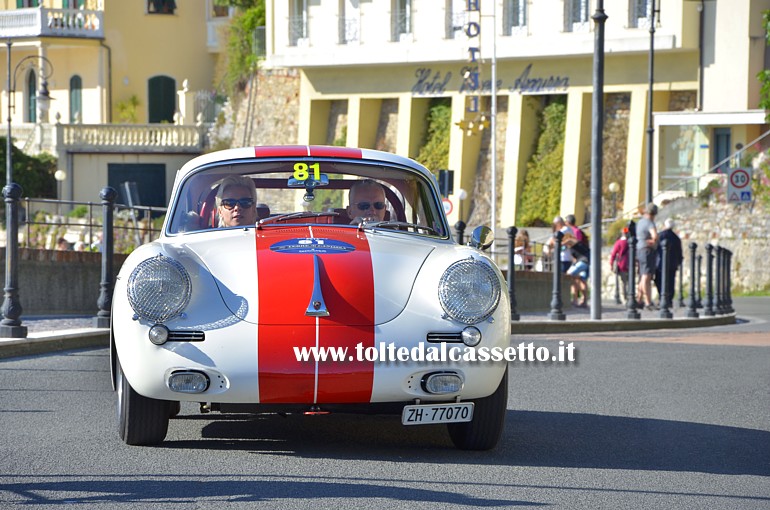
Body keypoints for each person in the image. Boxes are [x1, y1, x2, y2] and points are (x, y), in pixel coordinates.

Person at [635, 202, 659, 310]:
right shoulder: (650, 223)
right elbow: (655, 236)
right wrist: (653, 241)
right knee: (646, 275)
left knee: (642, 275)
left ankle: (639, 300)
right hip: (647, 250)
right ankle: (648, 302)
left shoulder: (640, 222)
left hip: (639, 249)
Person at [654, 218, 683, 307]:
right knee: (670, 282)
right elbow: (679, 252)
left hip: (659, 263)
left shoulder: (660, 236)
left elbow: (655, 249)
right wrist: (679, 261)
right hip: (672, 264)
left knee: (659, 280)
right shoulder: (676, 238)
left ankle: (662, 297)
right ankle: (669, 299)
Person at [609, 227, 630, 303]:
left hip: (621, 264)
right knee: (629, 282)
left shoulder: (618, 242)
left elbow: (613, 254)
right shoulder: (630, 242)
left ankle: (624, 298)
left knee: (623, 282)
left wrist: (611, 264)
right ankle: (629, 297)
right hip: (629, 264)